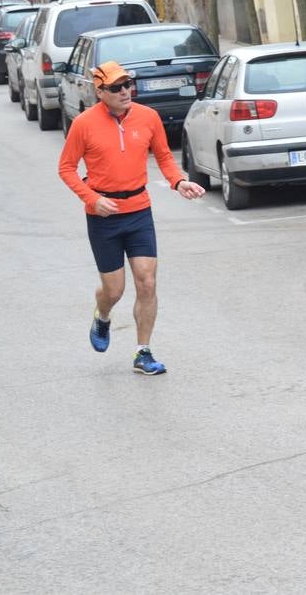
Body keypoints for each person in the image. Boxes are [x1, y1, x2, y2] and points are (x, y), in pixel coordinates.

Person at [58, 61, 206, 375]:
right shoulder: (84, 124)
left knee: (147, 282)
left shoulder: (148, 117)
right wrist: (93, 199)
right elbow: (66, 168)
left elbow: (164, 156)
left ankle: (143, 352)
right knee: (114, 290)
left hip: (138, 210)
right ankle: (103, 315)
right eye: (116, 87)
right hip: (103, 217)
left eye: (127, 84)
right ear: (100, 91)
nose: (125, 91)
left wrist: (179, 182)